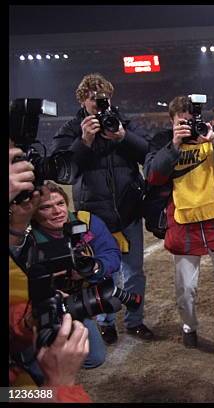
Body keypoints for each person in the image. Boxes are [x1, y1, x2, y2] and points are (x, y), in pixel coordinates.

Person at [144, 96, 214, 369]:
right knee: (185, 288)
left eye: (190, 121)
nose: (188, 126)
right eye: (181, 122)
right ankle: (189, 326)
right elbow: (153, 176)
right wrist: (174, 145)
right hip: (184, 222)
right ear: (171, 122)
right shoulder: (162, 142)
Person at [51, 73, 154, 344]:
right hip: (94, 216)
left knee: (134, 271)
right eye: (93, 99)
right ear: (83, 100)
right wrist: (83, 141)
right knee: (100, 270)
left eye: (103, 99)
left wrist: (122, 136)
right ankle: (106, 321)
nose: (99, 104)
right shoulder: (73, 129)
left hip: (128, 209)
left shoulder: (123, 123)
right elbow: (64, 172)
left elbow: (149, 154)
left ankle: (135, 320)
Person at [10, 181, 121, 380]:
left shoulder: (86, 221)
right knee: (36, 373)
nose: (57, 211)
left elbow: (112, 253)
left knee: (95, 358)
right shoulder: (24, 237)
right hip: (36, 308)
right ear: (33, 212)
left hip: (75, 301)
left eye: (60, 204)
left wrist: (94, 267)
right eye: (46, 207)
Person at [9, 148, 91, 402]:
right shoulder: (34, 239)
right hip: (15, 385)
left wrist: (25, 320)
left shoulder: (84, 221)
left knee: (94, 354)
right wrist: (59, 383)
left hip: (26, 336)